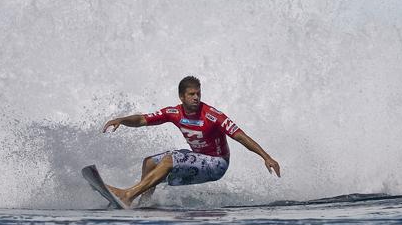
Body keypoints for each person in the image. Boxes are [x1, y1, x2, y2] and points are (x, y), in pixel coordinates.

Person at [102, 76, 280, 207]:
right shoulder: (174, 112)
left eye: (198, 94)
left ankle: (128, 195)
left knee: (169, 160)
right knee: (149, 162)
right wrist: (122, 120)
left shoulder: (212, 115)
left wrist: (266, 157)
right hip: (198, 157)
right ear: (181, 97)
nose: (196, 97)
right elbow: (142, 120)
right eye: (191, 94)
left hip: (217, 164)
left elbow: (240, 136)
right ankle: (144, 204)